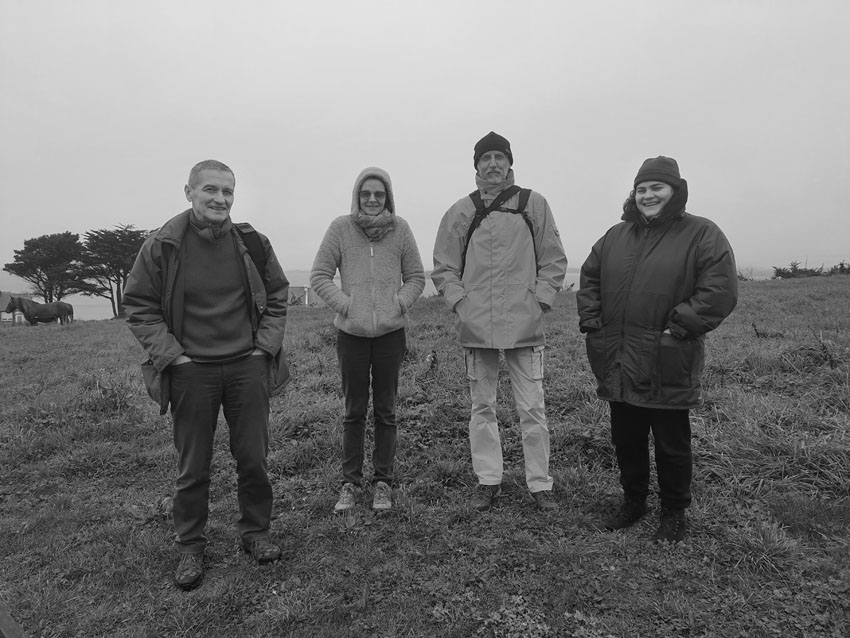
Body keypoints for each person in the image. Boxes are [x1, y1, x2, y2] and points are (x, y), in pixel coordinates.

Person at [124, 160, 290, 590]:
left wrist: (263, 348)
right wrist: (173, 357)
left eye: (227, 192)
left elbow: (277, 295)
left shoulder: (253, 242)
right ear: (189, 191)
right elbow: (138, 304)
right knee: (192, 466)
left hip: (246, 368)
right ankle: (190, 546)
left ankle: (255, 533)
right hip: (190, 372)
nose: (219, 199)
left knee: (253, 457)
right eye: (210, 190)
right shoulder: (162, 245)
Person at [576, 156, 737, 543]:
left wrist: (679, 326)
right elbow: (590, 277)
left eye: (656, 188)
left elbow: (720, 289)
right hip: (618, 357)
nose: (648, 195)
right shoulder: (615, 236)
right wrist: (593, 322)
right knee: (626, 438)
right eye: (642, 189)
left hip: (667, 358)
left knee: (671, 443)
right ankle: (633, 502)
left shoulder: (702, 234)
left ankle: (674, 512)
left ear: (675, 191)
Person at [432, 131, 568, 512]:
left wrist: (539, 302)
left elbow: (554, 258)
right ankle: (488, 480)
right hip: (477, 328)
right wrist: (462, 305)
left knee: (533, 409)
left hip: (526, 326)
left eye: (499, 157)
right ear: (476, 165)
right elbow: (443, 267)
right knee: (482, 407)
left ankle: (540, 485)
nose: (493, 164)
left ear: (510, 163)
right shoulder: (461, 211)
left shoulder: (533, 204)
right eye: (485, 157)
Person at [310, 167, 425, 513]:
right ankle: (349, 482)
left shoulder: (401, 229)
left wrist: (398, 303)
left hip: (391, 335)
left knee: (386, 410)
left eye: (379, 194)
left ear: (388, 196)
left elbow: (416, 277)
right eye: (365, 194)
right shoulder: (340, 229)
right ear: (356, 196)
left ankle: (383, 483)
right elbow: (319, 275)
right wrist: (347, 305)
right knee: (353, 410)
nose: (372, 199)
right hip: (352, 336)